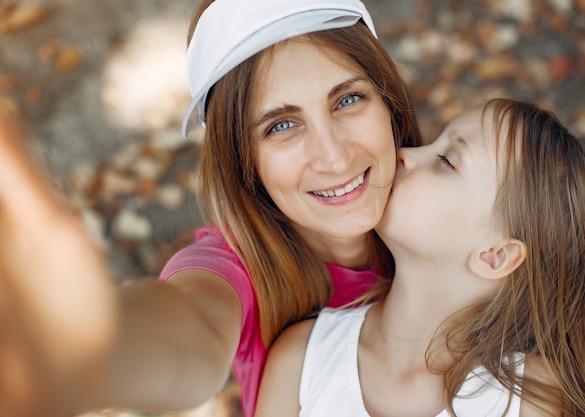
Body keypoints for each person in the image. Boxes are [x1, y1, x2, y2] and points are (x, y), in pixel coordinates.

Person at [0, 0, 420, 416]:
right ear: (244, 163)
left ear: (389, 103)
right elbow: (196, 327)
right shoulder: (234, 269)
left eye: (347, 100)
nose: (334, 157)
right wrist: (90, 349)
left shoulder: (460, 196)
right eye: (281, 125)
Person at [255, 98, 585, 417]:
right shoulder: (302, 359)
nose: (403, 154)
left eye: (446, 160)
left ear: (495, 255)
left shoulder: (528, 398)